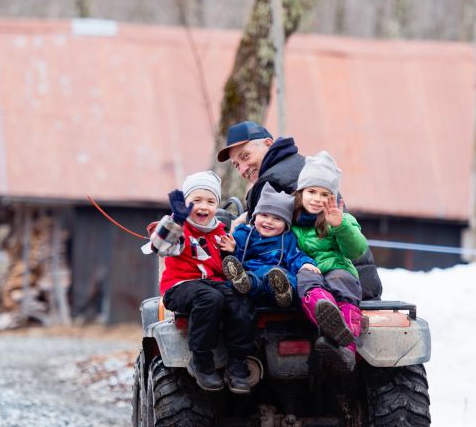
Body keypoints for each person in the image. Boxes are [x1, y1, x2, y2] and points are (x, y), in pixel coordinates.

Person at [218, 120, 383, 300]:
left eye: (246, 156)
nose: (242, 169)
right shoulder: (305, 168)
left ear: (268, 144)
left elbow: (265, 245)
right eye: (236, 165)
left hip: (331, 284)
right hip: (360, 281)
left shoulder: (270, 182)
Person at [142, 171, 256, 394]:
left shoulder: (219, 232)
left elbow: (227, 267)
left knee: (240, 299)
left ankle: (238, 362)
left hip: (212, 284)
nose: (203, 206)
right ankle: (202, 360)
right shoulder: (179, 230)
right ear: (185, 204)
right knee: (209, 298)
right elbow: (160, 246)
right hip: (181, 286)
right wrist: (176, 219)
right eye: (196, 201)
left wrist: (231, 252)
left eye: (210, 201)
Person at [291, 152, 368, 372]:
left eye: (324, 194)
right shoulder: (290, 220)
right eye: (312, 191)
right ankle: (326, 315)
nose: (316, 198)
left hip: (337, 268)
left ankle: (347, 349)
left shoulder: (340, 218)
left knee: (342, 282)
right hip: (308, 269)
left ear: (332, 196)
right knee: (306, 279)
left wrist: (340, 226)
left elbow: (357, 249)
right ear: (301, 193)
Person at [222, 184, 318, 308]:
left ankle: (284, 292)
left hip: (276, 274)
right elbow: (237, 257)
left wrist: (306, 263)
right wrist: (232, 249)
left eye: (277, 218)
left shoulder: (286, 239)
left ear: (286, 225)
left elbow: (295, 256)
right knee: (250, 277)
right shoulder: (244, 234)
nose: (269, 222)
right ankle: (243, 284)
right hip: (252, 273)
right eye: (264, 215)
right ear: (255, 217)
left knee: (285, 276)